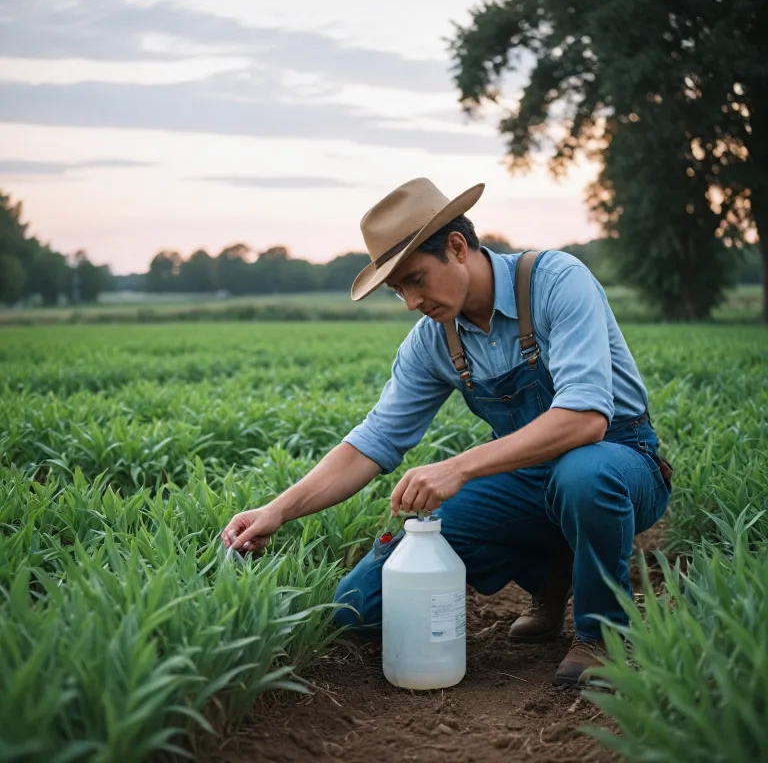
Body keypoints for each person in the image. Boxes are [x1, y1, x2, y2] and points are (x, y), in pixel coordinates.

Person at [222, 177, 673, 686]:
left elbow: (585, 419)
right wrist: (276, 510)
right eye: (398, 291)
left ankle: (601, 636)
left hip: (620, 460)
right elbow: (372, 442)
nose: (411, 302)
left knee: (582, 474)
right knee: (357, 608)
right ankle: (551, 569)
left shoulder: (555, 280)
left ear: (457, 247)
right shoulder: (431, 342)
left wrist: (457, 467)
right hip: (528, 480)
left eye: (415, 279)